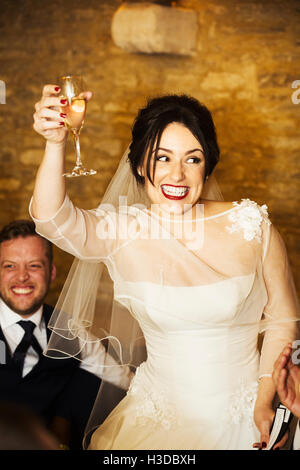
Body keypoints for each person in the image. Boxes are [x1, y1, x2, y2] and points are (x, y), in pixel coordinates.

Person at [30, 86, 299, 450]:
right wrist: (54, 142)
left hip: (247, 417)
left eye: (193, 159)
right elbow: (51, 220)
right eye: (162, 158)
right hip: (155, 422)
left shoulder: (251, 224)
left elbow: (283, 317)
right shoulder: (121, 230)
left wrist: (265, 399)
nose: (177, 175)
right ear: (141, 164)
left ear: (208, 164)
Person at [0, 219, 131, 449]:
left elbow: (122, 379)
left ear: (51, 273)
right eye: (10, 266)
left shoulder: (71, 331)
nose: (22, 277)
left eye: (34, 266)